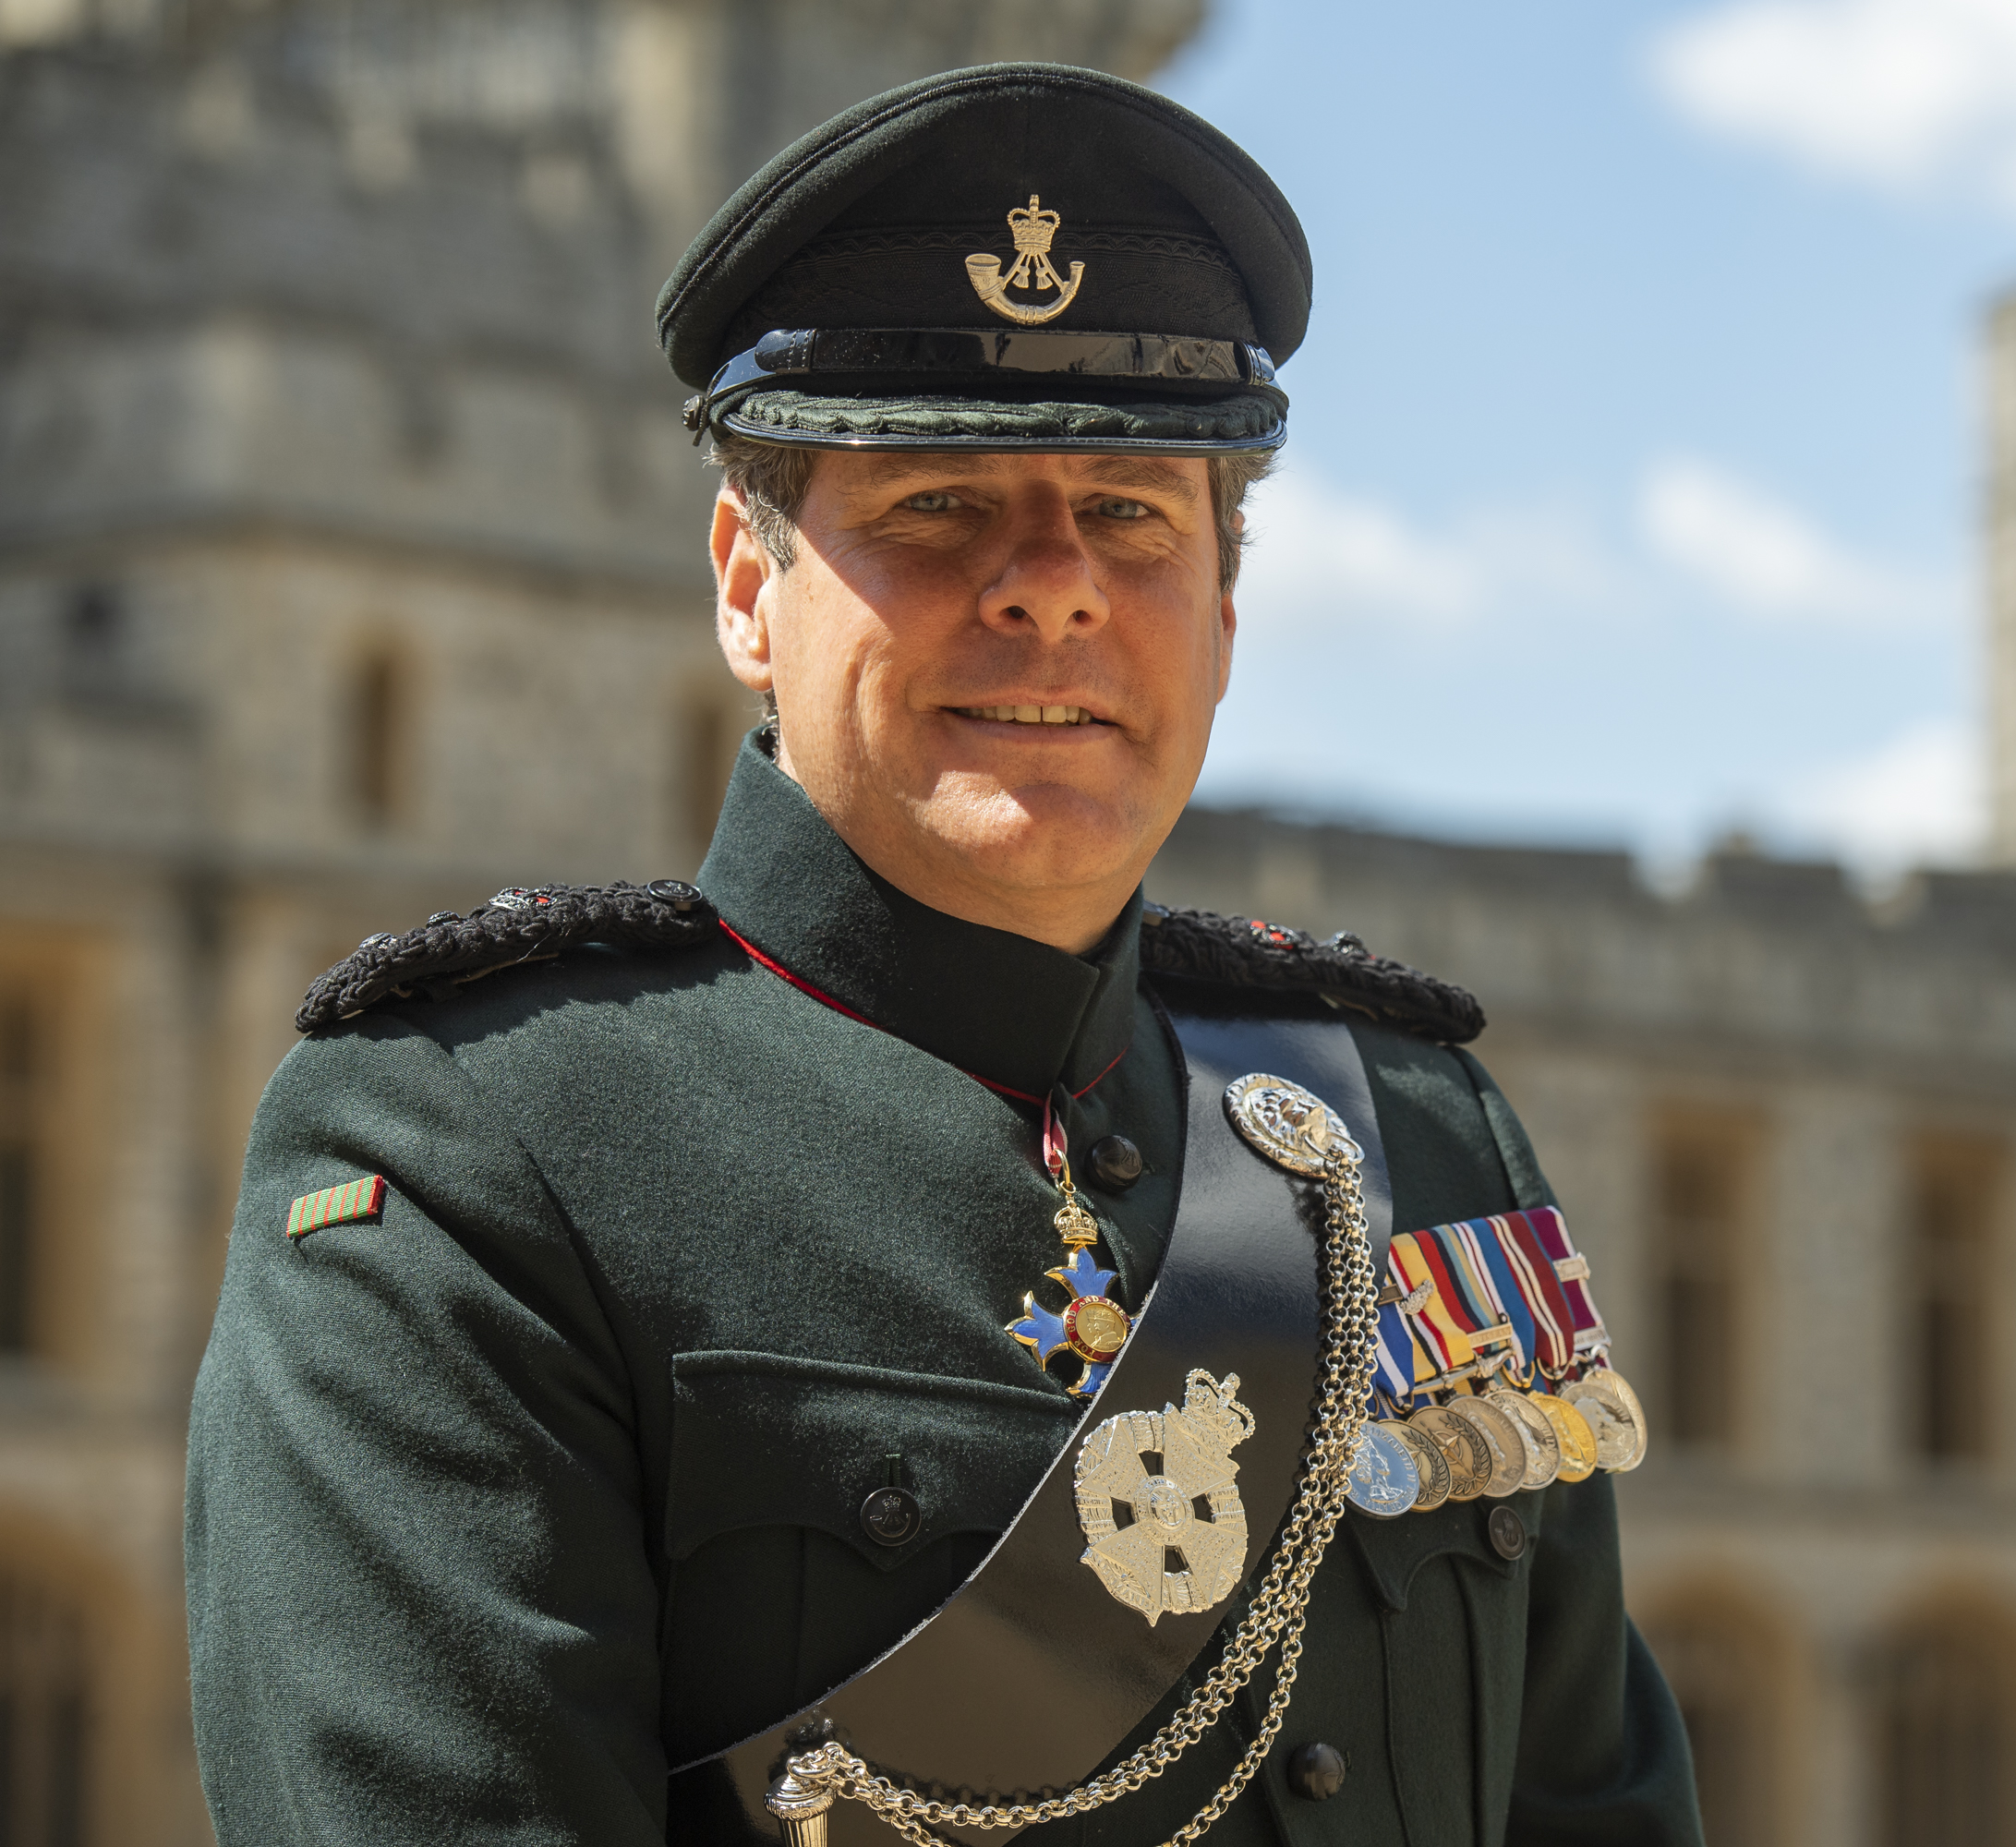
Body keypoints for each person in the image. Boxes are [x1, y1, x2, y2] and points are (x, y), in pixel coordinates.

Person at [187, 63, 1699, 1847]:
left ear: (1223, 608)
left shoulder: (1424, 1142)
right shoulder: (468, 1166)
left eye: (1132, 511)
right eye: (936, 505)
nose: (1049, 584)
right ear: (749, 590)